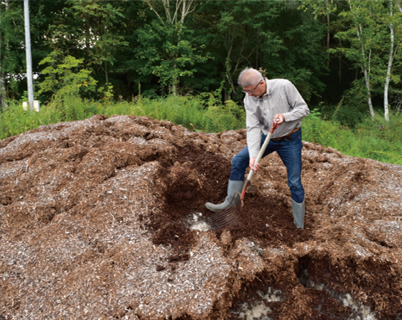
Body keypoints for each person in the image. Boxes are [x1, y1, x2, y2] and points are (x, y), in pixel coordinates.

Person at [205, 67, 310, 229]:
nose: (248, 95)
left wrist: (285, 116)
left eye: (250, 91)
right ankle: (231, 203)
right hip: (268, 138)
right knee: (239, 160)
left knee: (294, 182)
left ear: (261, 83)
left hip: (290, 139)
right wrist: (253, 156)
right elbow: (253, 127)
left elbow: (304, 109)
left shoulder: (284, 86)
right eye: (245, 91)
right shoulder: (249, 99)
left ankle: (299, 225)